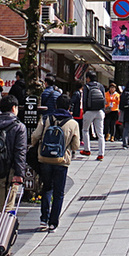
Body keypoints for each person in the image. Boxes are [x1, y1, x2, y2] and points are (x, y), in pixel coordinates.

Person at [30, 95, 80, 232]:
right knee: (59, 192)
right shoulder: (73, 123)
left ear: (56, 105)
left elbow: (35, 136)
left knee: (46, 188)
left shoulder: (46, 119)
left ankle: (43, 219)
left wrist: (36, 147)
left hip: (44, 158)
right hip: (61, 160)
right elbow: (75, 146)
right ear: (69, 107)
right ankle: (53, 223)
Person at [79, 74, 107, 161]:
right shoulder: (100, 86)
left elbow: (84, 100)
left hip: (89, 111)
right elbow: (104, 99)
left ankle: (87, 150)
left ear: (88, 78)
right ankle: (101, 154)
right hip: (99, 111)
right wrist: (102, 110)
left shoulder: (87, 87)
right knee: (100, 134)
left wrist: (85, 111)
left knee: (85, 130)